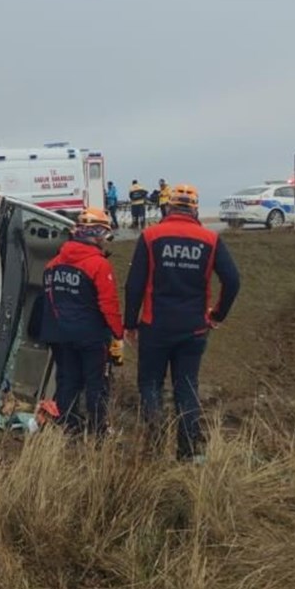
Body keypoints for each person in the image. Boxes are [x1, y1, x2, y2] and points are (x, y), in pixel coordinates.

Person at [124, 184, 241, 461]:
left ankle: (154, 443)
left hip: (155, 326)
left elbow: (134, 285)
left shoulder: (151, 236)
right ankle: (188, 453)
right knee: (186, 387)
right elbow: (233, 281)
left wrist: (130, 323)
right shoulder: (210, 239)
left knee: (150, 384)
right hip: (194, 328)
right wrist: (216, 315)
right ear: (195, 209)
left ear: (168, 207)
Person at [39, 207, 125, 435]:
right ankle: (98, 433)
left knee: (67, 382)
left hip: (59, 335)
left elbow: (46, 302)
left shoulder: (52, 265)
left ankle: (68, 430)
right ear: (99, 235)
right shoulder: (98, 265)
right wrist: (118, 334)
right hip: (90, 337)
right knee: (96, 385)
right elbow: (109, 305)